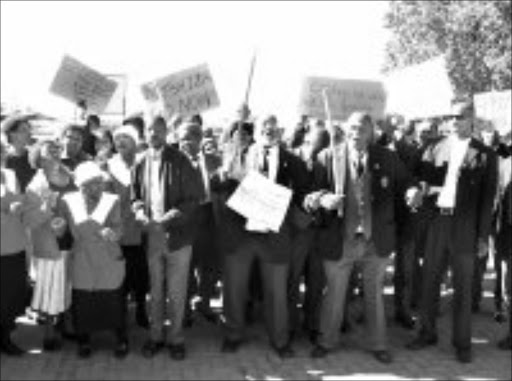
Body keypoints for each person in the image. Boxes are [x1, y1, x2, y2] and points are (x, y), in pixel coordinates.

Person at [308, 112, 422, 364]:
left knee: (375, 294)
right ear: (344, 129)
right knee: (334, 294)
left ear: (371, 132)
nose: (356, 131)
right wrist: (322, 199)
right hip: (340, 240)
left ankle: (378, 344)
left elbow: (407, 182)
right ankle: (326, 341)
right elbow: (308, 197)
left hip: (375, 239)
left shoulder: (387, 157)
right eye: (352, 127)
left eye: (362, 127)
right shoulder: (326, 157)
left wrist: (413, 191)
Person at [406, 101, 498, 363]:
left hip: (465, 227)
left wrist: (482, 236)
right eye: (451, 116)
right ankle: (426, 332)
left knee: (463, 287)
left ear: (472, 119)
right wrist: (415, 190)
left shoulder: (485, 154)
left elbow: (487, 200)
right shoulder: (434, 146)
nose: (454, 121)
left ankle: (462, 343)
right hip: (437, 222)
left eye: (459, 116)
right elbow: (416, 177)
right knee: (429, 281)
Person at [220, 114, 308, 359]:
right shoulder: (238, 155)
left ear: (279, 130)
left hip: (275, 236)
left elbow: (303, 196)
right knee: (235, 289)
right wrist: (224, 174)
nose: (268, 130)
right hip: (241, 235)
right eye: (263, 127)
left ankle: (280, 340)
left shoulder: (293, 161)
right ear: (255, 131)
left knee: (276, 292)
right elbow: (220, 188)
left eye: (273, 127)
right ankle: (233, 335)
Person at [132, 116, 202, 360]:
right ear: (145, 133)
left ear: (167, 132)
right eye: (150, 130)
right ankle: (155, 337)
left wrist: (167, 219)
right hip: (153, 236)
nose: (154, 134)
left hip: (178, 237)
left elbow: (194, 200)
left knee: (176, 292)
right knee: (156, 291)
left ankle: (176, 339)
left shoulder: (181, 160)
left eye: (159, 130)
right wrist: (139, 211)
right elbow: (136, 196)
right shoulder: (140, 161)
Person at [57, 161, 128, 359]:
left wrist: (113, 233)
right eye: (93, 183)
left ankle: (121, 338)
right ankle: (84, 340)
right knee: (83, 301)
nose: (99, 186)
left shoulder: (111, 200)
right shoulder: (67, 201)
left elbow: (119, 227)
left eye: (100, 182)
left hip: (107, 256)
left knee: (113, 299)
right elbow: (61, 228)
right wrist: (57, 226)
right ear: (82, 185)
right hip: (82, 257)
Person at [24, 140, 75, 352]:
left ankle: (68, 326)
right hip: (49, 244)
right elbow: (29, 220)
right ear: (39, 158)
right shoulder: (35, 186)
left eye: (57, 149)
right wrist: (47, 207)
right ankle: (49, 334)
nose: (54, 153)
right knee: (48, 289)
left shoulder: (71, 176)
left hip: (72, 240)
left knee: (68, 286)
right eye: (49, 151)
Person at [288, 126, 330, 343]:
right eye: (317, 145)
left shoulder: (329, 161)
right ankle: (290, 325)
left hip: (321, 230)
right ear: (306, 141)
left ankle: (313, 324)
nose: (321, 151)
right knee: (292, 278)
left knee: (316, 281)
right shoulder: (291, 158)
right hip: (297, 229)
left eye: (325, 146)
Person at [178, 121, 222, 324]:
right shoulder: (174, 162)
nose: (184, 143)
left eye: (188, 138)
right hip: (185, 221)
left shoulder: (214, 160)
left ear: (198, 140)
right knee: (186, 266)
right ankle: (185, 308)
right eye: (181, 139)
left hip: (209, 218)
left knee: (210, 266)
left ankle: (204, 303)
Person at [106, 125, 149, 329]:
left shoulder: (146, 162)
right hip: (117, 229)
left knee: (141, 275)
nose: (121, 141)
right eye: (117, 138)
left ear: (135, 141)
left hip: (141, 230)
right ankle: (119, 315)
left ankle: (141, 309)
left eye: (126, 137)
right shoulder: (107, 165)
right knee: (119, 276)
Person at [0, 135, 29, 356]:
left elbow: (18, 198)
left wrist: (19, 205)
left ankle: (5, 336)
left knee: (11, 293)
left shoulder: (10, 174)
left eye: (1, 151)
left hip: (14, 242)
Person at [1, 114, 36, 192]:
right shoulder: (3, 159)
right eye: (24, 130)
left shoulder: (34, 156)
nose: (29, 133)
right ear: (12, 134)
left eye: (29, 129)